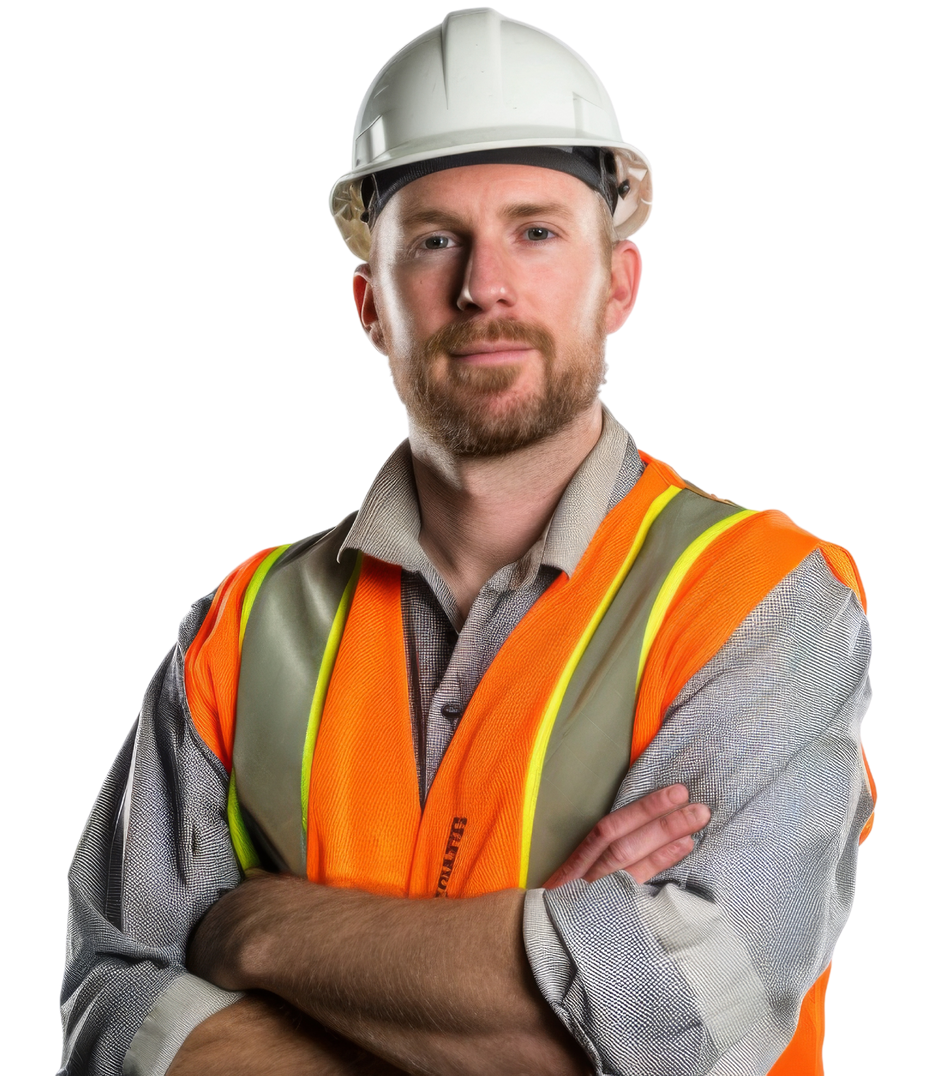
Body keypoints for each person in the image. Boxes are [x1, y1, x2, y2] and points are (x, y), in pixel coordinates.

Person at [58, 8, 874, 1075]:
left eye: (536, 231)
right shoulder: (238, 630)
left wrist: (256, 929)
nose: (483, 286)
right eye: (436, 239)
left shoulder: (762, 597)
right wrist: (552, 987)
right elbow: (111, 1013)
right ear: (371, 307)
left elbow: (683, 1027)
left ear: (616, 284)